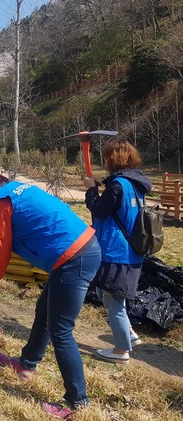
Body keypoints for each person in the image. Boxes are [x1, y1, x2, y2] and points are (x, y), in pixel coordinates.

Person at [0, 156, 101, 419]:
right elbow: (5, 238)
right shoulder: (10, 190)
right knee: (44, 312)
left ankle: (77, 402)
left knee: (61, 331)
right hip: (81, 249)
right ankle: (26, 365)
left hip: (73, 258)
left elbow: (1, 258)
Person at [84, 138, 151, 364]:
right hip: (131, 251)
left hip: (117, 252)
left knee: (114, 302)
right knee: (105, 293)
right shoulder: (134, 183)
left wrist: (91, 190)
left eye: (106, 159)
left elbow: (99, 210)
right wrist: (98, 188)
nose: (104, 163)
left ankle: (121, 351)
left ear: (114, 159)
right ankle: (129, 333)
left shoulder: (118, 186)